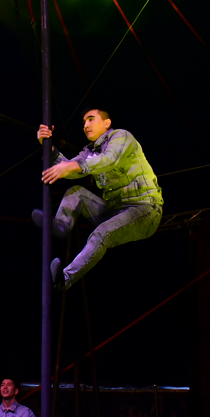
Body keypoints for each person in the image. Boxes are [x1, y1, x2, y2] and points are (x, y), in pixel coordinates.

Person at [34, 106, 162, 290]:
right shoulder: (90, 151)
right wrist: (48, 146)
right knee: (76, 191)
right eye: (84, 122)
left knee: (102, 233)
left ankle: (65, 279)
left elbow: (109, 159)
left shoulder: (121, 137)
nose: (85, 125)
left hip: (144, 209)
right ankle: (61, 224)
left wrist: (72, 167)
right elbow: (69, 167)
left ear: (106, 123)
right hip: (115, 210)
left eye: (91, 119)